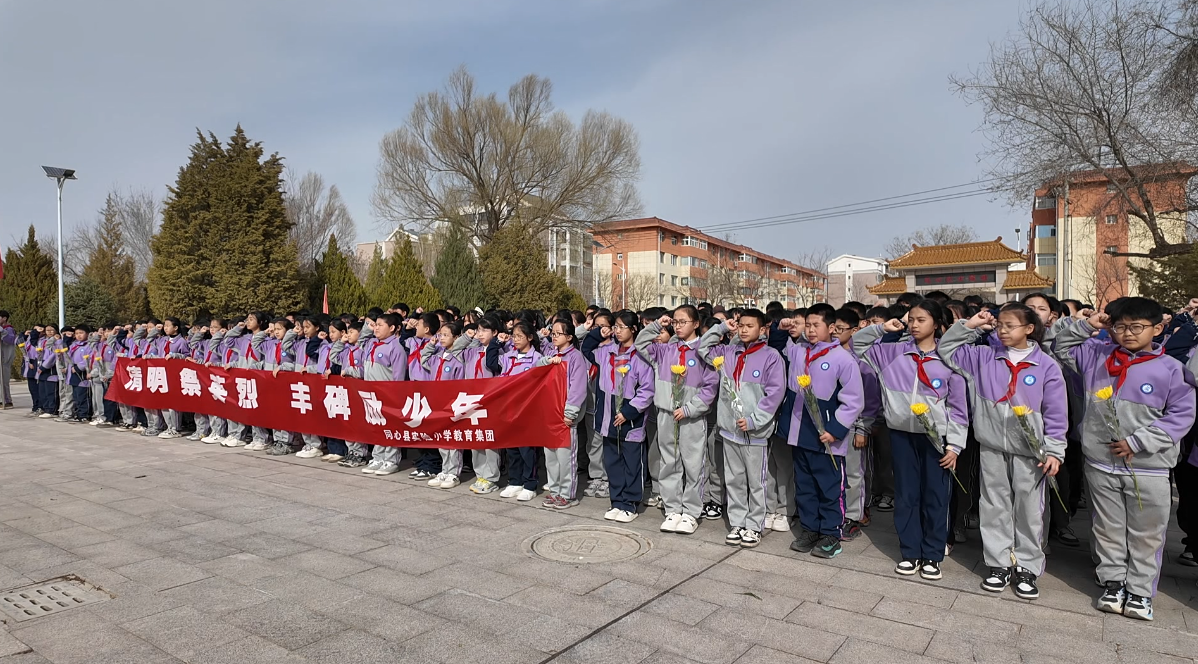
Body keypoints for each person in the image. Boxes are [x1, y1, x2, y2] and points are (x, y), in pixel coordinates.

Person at [1052, 298, 1196, 621]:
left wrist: (1138, 442)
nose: (1128, 333)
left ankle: (1141, 590)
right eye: (1120, 326)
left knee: (1147, 532)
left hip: (1149, 468)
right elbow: (1061, 347)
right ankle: (1113, 581)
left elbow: (1181, 416)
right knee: (1107, 527)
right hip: (1100, 463)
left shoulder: (1171, 369)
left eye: (1137, 327)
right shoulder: (1097, 355)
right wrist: (1088, 325)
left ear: (1157, 329)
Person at [940, 304, 1068, 600]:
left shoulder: (1046, 366)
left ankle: (1027, 566)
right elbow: (946, 349)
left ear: (1029, 329)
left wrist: (1054, 450)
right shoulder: (983, 357)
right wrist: (970, 325)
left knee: (1029, 510)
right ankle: (998, 563)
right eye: (1000, 325)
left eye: (1011, 326)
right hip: (992, 445)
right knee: (993, 505)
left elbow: (1057, 412)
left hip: (1031, 452)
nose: (1003, 331)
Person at [853, 299, 967, 581]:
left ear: (937, 324)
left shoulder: (948, 357)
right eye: (911, 319)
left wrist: (954, 445)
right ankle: (910, 552)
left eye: (921, 320)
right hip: (901, 434)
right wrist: (883, 328)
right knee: (906, 495)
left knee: (936, 496)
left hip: (936, 439)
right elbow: (857, 344)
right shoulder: (893, 352)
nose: (914, 325)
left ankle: (933, 554)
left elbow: (958, 408)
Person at [699, 309, 786, 549]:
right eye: (741, 325)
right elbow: (702, 348)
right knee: (734, 479)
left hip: (755, 432)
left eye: (750, 326)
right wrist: (721, 327)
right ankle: (738, 522)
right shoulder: (728, 352)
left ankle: (755, 525)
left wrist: (755, 420)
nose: (744, 330)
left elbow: (774, 394)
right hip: (730, 430)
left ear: (762, 329)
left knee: (756, 481)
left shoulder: (771, 356)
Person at [785, 305, 864, 559]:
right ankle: (810, 529)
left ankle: (831, 533)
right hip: (800, 432)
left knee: (830, 488)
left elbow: (854, 400)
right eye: (807, 325)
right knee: (805, 485)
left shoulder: (843, 359)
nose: (810, 330)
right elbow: (778, 343)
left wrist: (835, 430)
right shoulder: (799, 351)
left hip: (827, 436)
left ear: (831, 328)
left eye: (815, 325)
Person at [635, 306, 719, 535]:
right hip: (666, 413)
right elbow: (640, 344)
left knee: (693, 464)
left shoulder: (704, 351)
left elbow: (710, 387)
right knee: (669, 462)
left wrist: (690, 409)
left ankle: (691, 512)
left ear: (695, 324)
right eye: (675, 322)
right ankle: (672, 508)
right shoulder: (665, 350)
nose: (678, 326)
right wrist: (656, 325)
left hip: (691, 417)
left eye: (683, 322)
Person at [537, 318, 590, 509]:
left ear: (569, 337)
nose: (554, 337)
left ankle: (567, 494)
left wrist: (571, 412)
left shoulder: (575, 357)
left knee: (565, 458)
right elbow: (536, 370)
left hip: (565, 417)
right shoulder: (551, 353)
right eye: (553, 333)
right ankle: (555, 491)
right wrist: (547, 361)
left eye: (558, 334)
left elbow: (578, 387)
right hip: (549, 414)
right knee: (551, 457)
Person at [492, 320, 546, 500]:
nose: (515, 340)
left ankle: (530, 484)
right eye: (514, 336)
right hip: (509, 407)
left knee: (527, 449)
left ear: (530, 337)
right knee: (512, 448)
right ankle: (515, 481)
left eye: (519, 336)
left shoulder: (537, 358)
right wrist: (496, 343)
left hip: (527, 409)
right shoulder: (508, 356)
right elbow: (492, 364)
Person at [419, 320, 468, 489]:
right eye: (440, 334)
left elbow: (460, 383)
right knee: (442, 438)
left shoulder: (458, 359)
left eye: (446, 335)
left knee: (453, 439)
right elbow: (424, 360)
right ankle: (445, 469)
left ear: (456, 337)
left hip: (452, 405)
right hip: (437, 403)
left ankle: (454, 473)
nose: (441, 338)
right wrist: (430, 345)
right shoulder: (438, 357)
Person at [360, 314, 408, 476]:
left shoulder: (396, 348)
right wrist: (367, 327)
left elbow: (398, 376)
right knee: (376, 427)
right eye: (376, 325)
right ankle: (378, 457)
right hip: (371, 395)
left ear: (392, 328)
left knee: (390, 427)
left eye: (380, 325)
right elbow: (361, 340)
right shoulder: (372, 344)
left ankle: (391, 460)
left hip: (387, 395)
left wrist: (395, 396)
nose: (376, 328)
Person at [462, 316, 504, 493]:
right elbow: (456, 349)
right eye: (478, 330)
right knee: (476, 438)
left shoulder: (499, 352)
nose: (480, 334)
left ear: (495, 332)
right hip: (472, 400)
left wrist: (497, 343)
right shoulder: (473, 351)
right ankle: (480, 473)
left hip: (489, 401)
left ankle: (491, 477)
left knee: (489, 439)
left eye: (484, 330)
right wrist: (468, 337)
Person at [295, 316, 330, 459]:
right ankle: (307, 442)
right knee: (302, 413)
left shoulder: (323, 344)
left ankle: (316, 444)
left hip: (313, 383)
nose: (304, 330)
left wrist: (309, 369)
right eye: (303, 327)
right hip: (300, 382)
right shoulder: (301, 342)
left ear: (317, 327)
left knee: (313, 414)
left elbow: (322, 365)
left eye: (307, 327)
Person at [0, 311, 14, 409]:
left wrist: (2, 332)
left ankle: (7, 401)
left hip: (5, 359)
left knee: (4, 381)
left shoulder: (9, 329)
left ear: (4, 318)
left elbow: (10, 340)